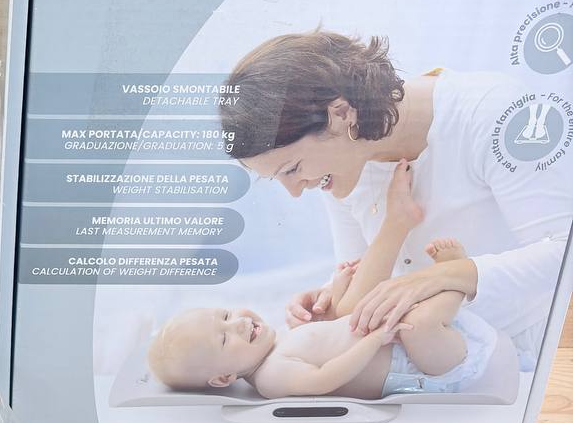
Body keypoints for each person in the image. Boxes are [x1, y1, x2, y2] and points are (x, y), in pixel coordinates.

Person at [221, 31, 570, 363]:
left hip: (541, 347)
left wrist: (443, 276)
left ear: (340, 114)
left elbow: (563, 251)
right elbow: (362, 267)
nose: (296, 191)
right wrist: (331, 295)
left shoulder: (491, 112)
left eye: (293, 168)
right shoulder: (345, 160)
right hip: (433, 358)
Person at [149, 162, 497, 399]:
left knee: (349, 309)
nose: (238, 324)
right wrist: (372, 341)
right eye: (225, 339)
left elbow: (333, 333)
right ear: (225, 378)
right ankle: (455, 276)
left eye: (226, 316)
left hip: (406, 345)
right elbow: (324, 379)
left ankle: (404, 230)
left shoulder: (277, 343)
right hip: (431, 366)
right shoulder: (271, 378)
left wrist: (337, 289)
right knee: (418, 323)